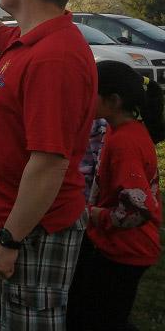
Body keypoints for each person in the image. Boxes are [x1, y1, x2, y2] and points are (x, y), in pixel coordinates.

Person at [0, 0, 96, 330]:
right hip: (16, 223)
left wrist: (9, 241)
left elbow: (49, 164)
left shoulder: (54, 58)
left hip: (31, 232)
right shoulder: (31, 39)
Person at [67, 62, 163, 331]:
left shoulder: (125, 142)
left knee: (101, 320)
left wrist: (96, 215)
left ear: (113, 101)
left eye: (91, 93)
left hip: (125, 251)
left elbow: (137, 208)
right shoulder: (118, 128)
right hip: (113, 245)